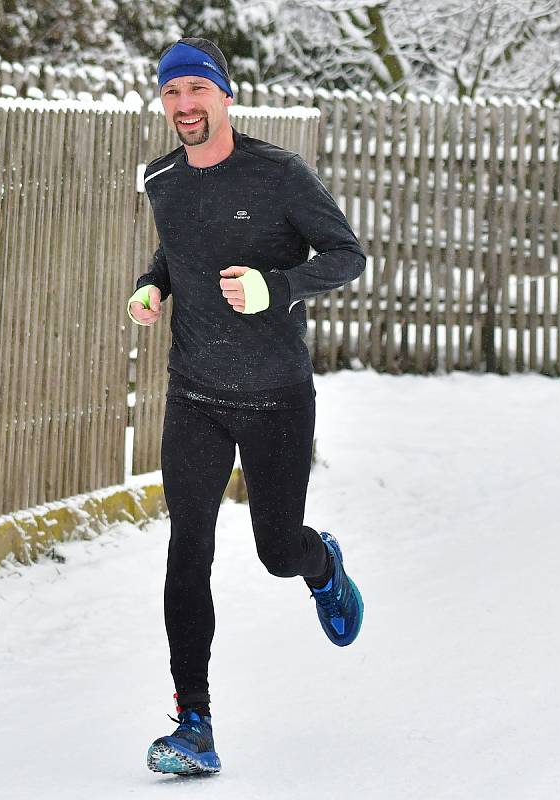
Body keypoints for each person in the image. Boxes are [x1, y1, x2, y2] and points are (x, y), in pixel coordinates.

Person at [127, 37, 367, 777]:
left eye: (197, 90)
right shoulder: (162, 179)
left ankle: (319, 562)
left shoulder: (280, 174)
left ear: (226, 95)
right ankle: (193, 723)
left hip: (275, 398)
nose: (185, 106)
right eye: (172, 94)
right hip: (194, 392)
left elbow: (346, 255)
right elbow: (179, 250)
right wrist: (154, 284)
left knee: (273, 552)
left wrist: (278, 286)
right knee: (186, 550)